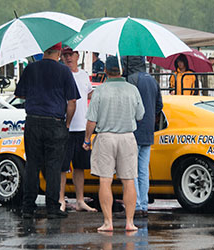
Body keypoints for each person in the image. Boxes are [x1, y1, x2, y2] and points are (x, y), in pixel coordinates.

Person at [14, 42, 80, 219]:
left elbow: (19, 94)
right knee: (53, 166)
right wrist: (66, 125)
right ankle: (52, 207)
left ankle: (28, 207)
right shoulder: (64, 71)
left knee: (32, 165)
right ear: (58, 52)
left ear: (44, 51)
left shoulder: (31, 68)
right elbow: (72, 101)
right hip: (55, 122)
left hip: (33, 121)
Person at [83, 56, 145, 232]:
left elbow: (91, 121)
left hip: (105, 137)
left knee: (105, 180)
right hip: (127, 137)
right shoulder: (133, 90)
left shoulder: (100, 91)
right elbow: (140, 115)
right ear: (122, 71)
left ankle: (108, 222)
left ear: (106, 71)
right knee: (129, 180)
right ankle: (130, 222)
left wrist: (87, 140)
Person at [123, 56, 163, 218]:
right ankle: (144, 204)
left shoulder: (131, 80)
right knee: (143, 170)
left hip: (133, 130)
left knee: (132, 171)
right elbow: (159, 105)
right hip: (148, 131)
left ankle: (136, 205)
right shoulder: (152, 80)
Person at [59, 47, 97, 212]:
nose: (68, 58)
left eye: (71, 55)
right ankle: (61, 199)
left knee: (80, 166)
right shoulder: (60, 74)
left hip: (82, 126)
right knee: (62, 166)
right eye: (65, 55)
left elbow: (88, 93)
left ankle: (80, 199)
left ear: (77, 56)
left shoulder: (83, 75)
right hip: (66, 126)